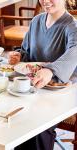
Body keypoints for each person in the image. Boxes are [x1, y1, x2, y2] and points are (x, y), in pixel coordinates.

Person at [8, 0, 77, 149]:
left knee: (36, 127)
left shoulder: (73, 26)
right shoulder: (36, 21)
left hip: (60, 94)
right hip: (31, 89)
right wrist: (19, 56)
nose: (45, 1)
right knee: (10, 116)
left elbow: (75, 53)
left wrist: (51, 70)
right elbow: (27, 52)